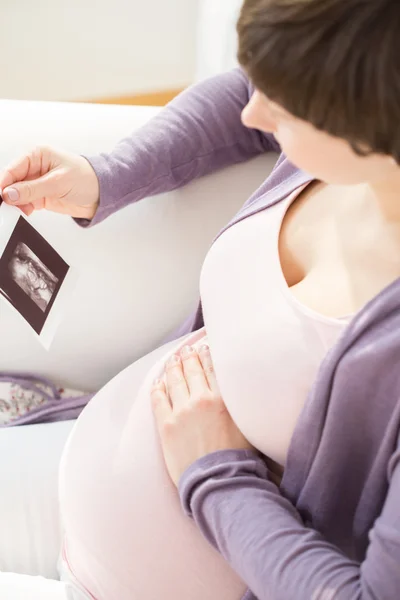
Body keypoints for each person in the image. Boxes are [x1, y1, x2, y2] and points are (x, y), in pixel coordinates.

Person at [0, 0, 399, 598]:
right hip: (77, 469)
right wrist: (105, 176)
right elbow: (251, 95)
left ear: (368, 117)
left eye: (282, 106)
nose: (252, 109)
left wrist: (213, 474)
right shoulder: (347, 146)